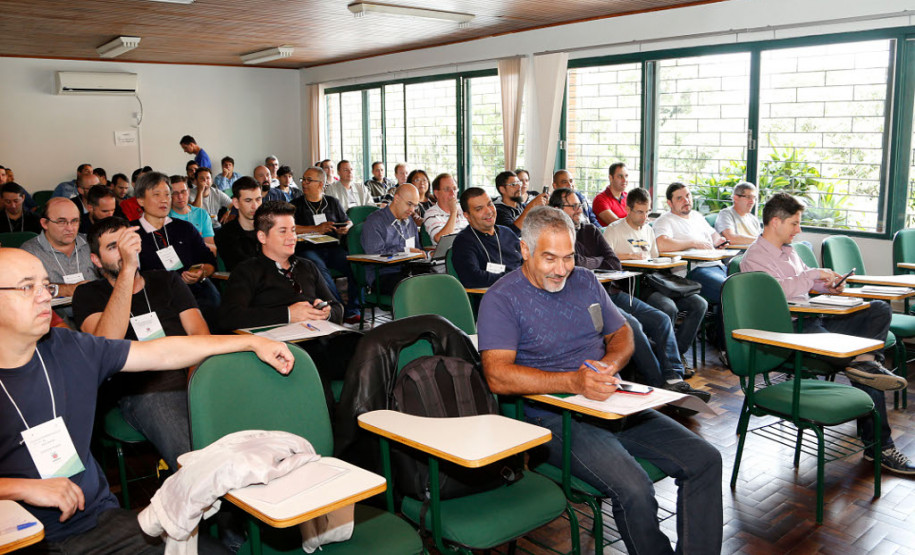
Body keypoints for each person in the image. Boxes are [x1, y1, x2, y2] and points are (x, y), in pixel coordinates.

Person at [0, 247, 292, 552]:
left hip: (97, 521)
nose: (44, 297)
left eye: (46, 285)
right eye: (27, 287)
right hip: (17, 536)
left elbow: (161, 352)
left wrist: (250, 342)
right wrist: (21, 488)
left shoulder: (69, 348)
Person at [477, 206, 723, 554]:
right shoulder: (502, 299)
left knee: (705, 460)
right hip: (551, 418)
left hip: (610, 402)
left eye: (568, 257)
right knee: (634, 489)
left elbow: (622, 333)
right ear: (525, 250)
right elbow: (497, 376)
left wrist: (609, 364)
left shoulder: (585, 281)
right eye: (549, 258)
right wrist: (574, 383)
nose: (561, 269)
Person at [741, 192, 914, 474]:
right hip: (788, 332)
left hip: (813, 320)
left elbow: (805, 285)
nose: (799, 229)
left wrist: (827, 286)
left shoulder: (788, 251)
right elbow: (776, 292)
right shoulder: (753, 258)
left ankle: (865, 363)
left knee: (878, 310)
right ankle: (880, 446)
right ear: (775, 222)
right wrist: (811, 276)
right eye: (795, 223)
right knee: (863, 365)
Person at [74, 217, 208, 470]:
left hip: (190, 373)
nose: (124, 251)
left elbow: (200, 335)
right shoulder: (88, 294)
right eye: (113, 247)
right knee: (196, 459)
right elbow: (106, 345)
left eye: (127, 243)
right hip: (141, 387)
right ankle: (202, 484)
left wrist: (197, 383)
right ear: (96, 260)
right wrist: (127, 270)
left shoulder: (166, 280)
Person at [549, 188, 708, 400]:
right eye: (573, 206)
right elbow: (574, 264)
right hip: (585, 300)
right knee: (632, 326)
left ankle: (674, 379)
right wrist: (595, 261)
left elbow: (613, 262)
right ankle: (659, 386)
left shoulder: (590, 230)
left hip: (612, 291)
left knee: (661, 319)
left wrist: (589, 262)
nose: (579, 210)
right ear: (557, 210)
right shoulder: (554, 237)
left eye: (580, 205)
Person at [218, 202, 355, 406]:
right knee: (313, 363)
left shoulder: (307, 266)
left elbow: (337, 308)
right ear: (262, 237)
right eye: (283, 231)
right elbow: (229, 317)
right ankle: (335, 422)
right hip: (282, 351)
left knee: (368, 348)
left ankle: (366, 418)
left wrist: (325, 312)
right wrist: (288, 314)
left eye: (293, 230)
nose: (292, 237)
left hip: (321, 342)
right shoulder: (247, 271)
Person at [604, 188, 708, 368]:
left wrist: (669, 260)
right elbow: (605, 259)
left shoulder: (648, 230)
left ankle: (675, 353)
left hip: (657, 280)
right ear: (628, 209)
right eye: (639, 212)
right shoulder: (614, 230)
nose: (644, 217)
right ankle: (668, 358)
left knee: (700, 304)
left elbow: (654, 258)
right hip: (633, 284)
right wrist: (630, 256)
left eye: (647, 212)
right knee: (668, 308)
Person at [131, 172, 221, 328]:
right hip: (155, 300)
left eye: (167, 194)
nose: (164, 199)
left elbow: (209, 261)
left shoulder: (185, 228)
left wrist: (201, 273)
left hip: (194, 294)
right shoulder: (131, 233)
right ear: (140, 200)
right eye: (156, 195)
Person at [291, 167, 361, 323]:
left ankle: (354, 309)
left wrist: (346, 228)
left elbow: (348, 221)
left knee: (356, 265)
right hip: (308, 249)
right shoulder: (295, 204)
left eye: (309, 180)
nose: (304, 183)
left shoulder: (332, 202)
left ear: (321, 184)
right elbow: (291, 227)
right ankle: (338, 309)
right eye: (303, 179)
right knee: (319, 268)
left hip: (332, 247)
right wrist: (316, 229)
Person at [654, 182, 729, 304]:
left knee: (743, 286)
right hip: (694, 270)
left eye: (688, 195)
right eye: (679, 198)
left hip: (716, 264)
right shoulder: (665, 220)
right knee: (730, 290)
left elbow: (713, 234)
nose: (686, 200)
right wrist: (693, 243)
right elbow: (661, 244)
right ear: (670, 203)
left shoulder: (696, 216)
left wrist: (718, 241)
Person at [21, 198, 98, 298]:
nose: (70, 228)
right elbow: (26, 289)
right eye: (61, 222)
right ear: (44, 223)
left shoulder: (92, 242)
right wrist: (66, 289)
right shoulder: (28, 252)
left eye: (74, 221)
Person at [450, 187, 522, 289]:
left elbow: (527, 261)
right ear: (467, 215)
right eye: (479, 209)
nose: (488, 211)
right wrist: (514, 277)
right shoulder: (464, 242)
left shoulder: (507, 232)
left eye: (490, 204)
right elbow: (472, 278)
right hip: (495, 294)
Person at [361, 183, 423, 293]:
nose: (412, 210)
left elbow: (416, 249)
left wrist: (425, 254)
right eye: (409, 204)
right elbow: (376, 255)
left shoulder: (410, 222)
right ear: (397, 198)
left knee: (437, 281)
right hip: (383, 274)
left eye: (415, 206)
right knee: (415, 287)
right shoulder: (375, 222)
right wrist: (404, 251)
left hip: (408, 269)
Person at [214, 177, 263, 271]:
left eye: (258, 199)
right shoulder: (225, 234)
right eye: (248, 200)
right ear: (236, 203)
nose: (255, 206)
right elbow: (242, 268)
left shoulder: (269, 228)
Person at [168, 176, 216, 255]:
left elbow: (213, 249)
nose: (180, 197)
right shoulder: (164, 216)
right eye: (175, 193)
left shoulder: (202, 214)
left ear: (188, 191)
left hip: (200, 259)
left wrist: (192, 241)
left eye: (183, 191)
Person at [493, 170, 548, 236]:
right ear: (502, 189)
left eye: (519, 183)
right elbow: (512, 234)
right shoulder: (498, 211)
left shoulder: (521, 206)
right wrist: (530, 206)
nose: (519, 187)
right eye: (513, 185)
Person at [422, 173, 467, 245]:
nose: (453, 193)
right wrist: (453, 212)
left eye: (454, 189)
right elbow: (440, 239)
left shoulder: (464, 208)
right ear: (437, 193)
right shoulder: (431, 214)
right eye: (447, 189)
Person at [715, 181, 761, 245]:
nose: (752, 201)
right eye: (748, 197)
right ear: (736, 198)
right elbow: (731, 238)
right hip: (738, 251)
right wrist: (760, 241)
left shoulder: (753, 219)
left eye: (754, 198)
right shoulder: (726, 214)